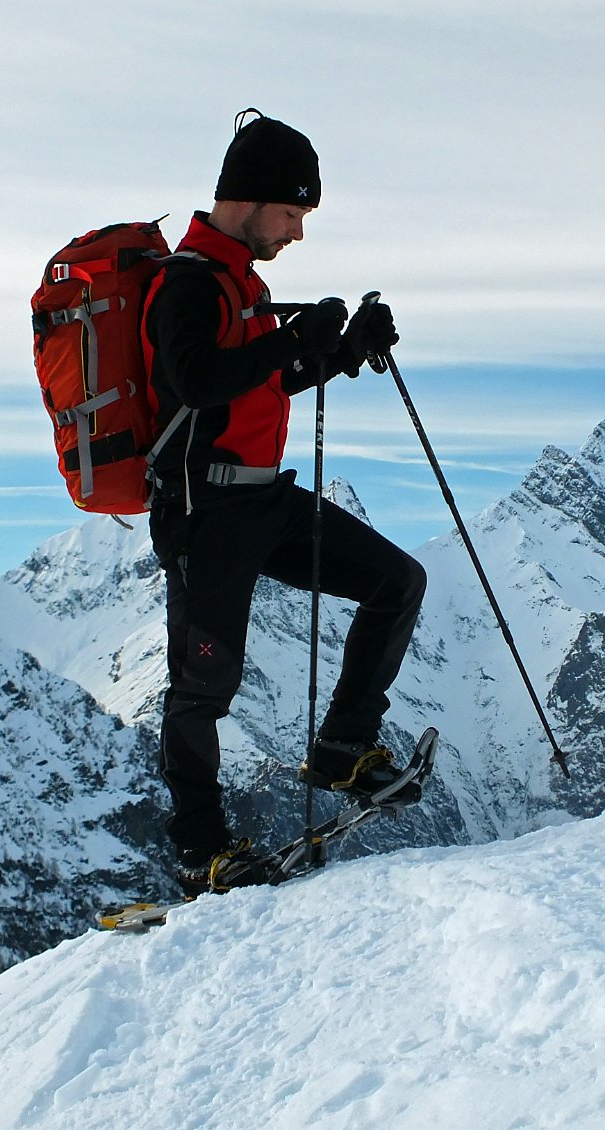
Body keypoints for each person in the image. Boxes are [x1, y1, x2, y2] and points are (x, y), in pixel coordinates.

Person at [145, 109, 426, 896]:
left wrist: (338, 349)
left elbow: (264, 381)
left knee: (396, 582)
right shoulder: (188, 283)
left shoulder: (243, 284)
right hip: (206, 515)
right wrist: (289, 339)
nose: (299, 231)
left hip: (264, 502)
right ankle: (201, 851)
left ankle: (343, 748)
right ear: (252, 197)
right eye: (295, 211)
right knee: (202, 690)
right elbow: (195, 380)